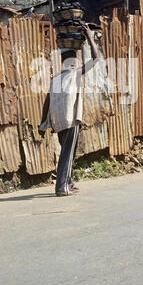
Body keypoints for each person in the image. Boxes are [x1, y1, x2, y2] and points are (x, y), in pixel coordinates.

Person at [38, 24, 99, 197]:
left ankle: (69, 182)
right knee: (67, 153)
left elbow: (46, 102)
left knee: (67, 152)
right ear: (75, 60)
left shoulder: (56, 78)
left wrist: (43, 124)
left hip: (58, 122)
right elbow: (95, 58)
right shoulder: (75, 73)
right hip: (70, 121)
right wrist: (89, 37)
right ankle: (61, 187)